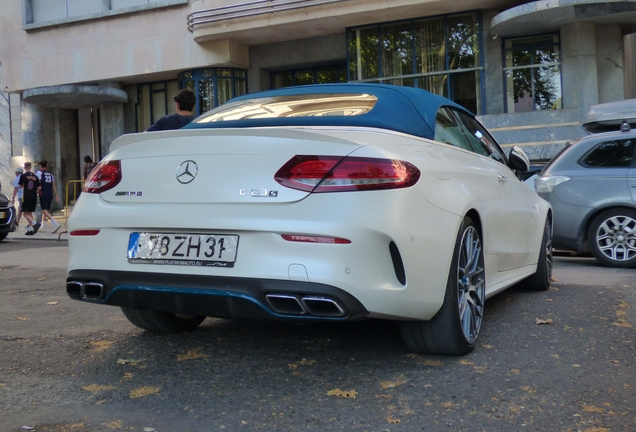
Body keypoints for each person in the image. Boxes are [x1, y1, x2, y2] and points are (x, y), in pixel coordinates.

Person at [36, 160, 62, 234]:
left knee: (44, 210)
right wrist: (56, 195)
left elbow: (39, 183)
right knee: (46, 210)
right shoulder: (51, 174)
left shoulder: (39, 173)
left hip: (43, 193)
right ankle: (42, 226)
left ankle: (55, 223)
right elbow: (53, 185)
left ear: (40, 166)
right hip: (50, 194)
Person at [18, 162, 41, 235]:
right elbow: (39, 187)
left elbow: (20, 186)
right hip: (34, 196)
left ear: (24, 167)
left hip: (27, 196)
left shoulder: (23, 176)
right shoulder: (35, 176)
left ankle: (35, 224)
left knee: (25, 213)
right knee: (30, 213)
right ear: (31, 167)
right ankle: (30, 230)